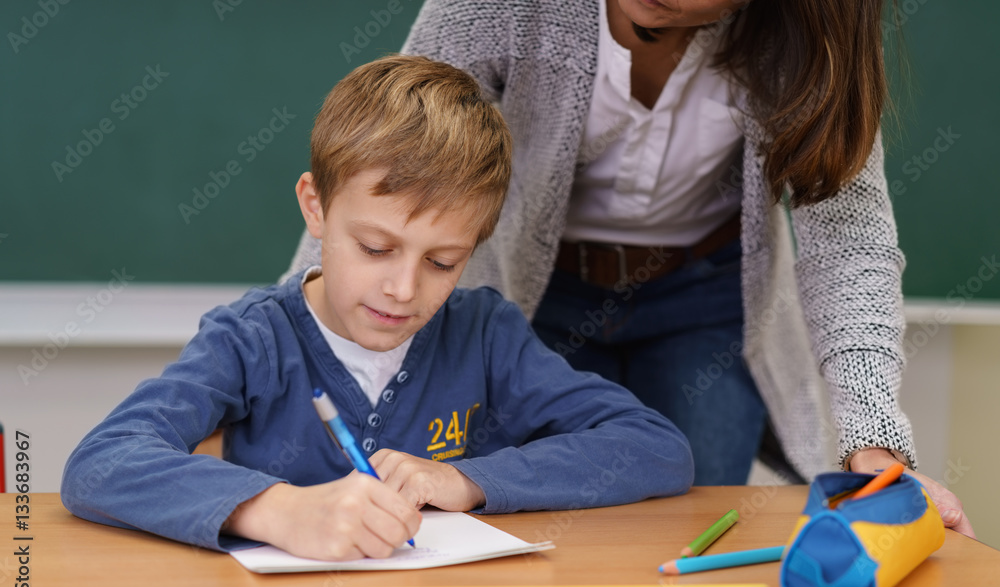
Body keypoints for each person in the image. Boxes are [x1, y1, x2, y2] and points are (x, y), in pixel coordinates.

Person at [283, 0, 974, 536]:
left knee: (688, 525)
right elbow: (384, 157)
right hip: (535, 298)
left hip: (706, 304)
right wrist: (299, 343)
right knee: (530, 518)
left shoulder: (806, 46)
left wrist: (876, 445)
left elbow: (848, 241)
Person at [60, 54, 694, 561]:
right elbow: (103, 463)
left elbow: (655, 447)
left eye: (443, 262)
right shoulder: (252, 340)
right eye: (375, 247)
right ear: (316, 207)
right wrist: (278, 510)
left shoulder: (484, 334)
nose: (402, 288)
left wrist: (469, 481)